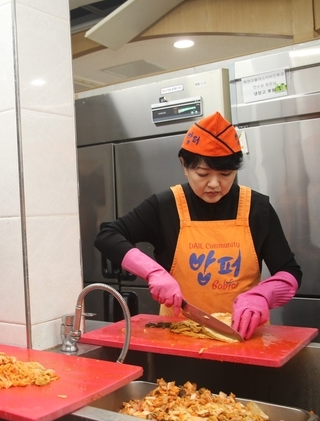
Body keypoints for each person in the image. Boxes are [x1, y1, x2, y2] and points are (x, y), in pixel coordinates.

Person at [94, 112, 302, 341]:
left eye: (226, 174)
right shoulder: (166, 206)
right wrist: (153, 272)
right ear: (184, 165)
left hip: (241, 337)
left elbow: (290, 271)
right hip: (179, 336)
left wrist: (262, 296)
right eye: (202, 174)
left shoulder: (257, 208)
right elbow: (108, 236)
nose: (214, 184)